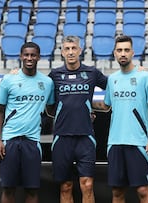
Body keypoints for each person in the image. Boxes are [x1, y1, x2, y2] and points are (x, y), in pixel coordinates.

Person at [94, 35, 148, 203]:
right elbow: (106, 105)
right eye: (119, 50)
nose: (122, 53)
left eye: (126, 50)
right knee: (117, 192)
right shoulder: (113, 79)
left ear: (133, 52)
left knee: (143, 190)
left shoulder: (144, 76)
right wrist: (83, 104)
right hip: (115, 143)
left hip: (138, 142)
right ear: (114, 54)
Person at [48, 35, 108, 203]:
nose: (71, 52)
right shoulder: (54, 75)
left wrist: (91, 107)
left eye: (74, 48)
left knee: (87, 184)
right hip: (62, 137)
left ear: (80, 50)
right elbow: (45, 100)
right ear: (62, 52)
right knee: (66, 186)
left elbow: (115, 85)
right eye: (67, 49)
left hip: (85, 137)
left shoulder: (92, 72)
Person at [0, 42, 55, 203]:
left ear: (39, 57)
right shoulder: (8, 80)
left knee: (32, 190)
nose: (29, 58)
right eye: (26, 55)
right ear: (21, 56)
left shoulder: (47, 83)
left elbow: (51, 110)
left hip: (32, 142)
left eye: (33, 55)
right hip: (10, 141)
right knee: (8, 188)